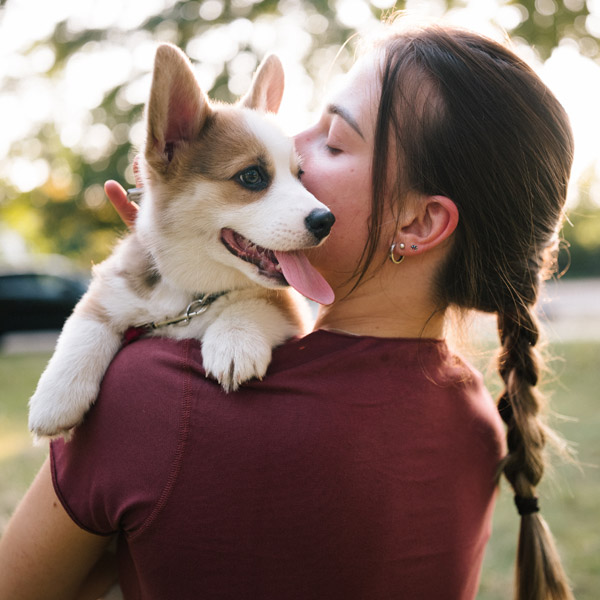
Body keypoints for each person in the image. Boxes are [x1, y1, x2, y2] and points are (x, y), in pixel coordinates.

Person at [0, 21, 575, 600]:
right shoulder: (477, 418)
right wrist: (187, 264)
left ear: (419, 223)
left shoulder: (154, 397)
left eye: (332, 141)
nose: (292, 143)